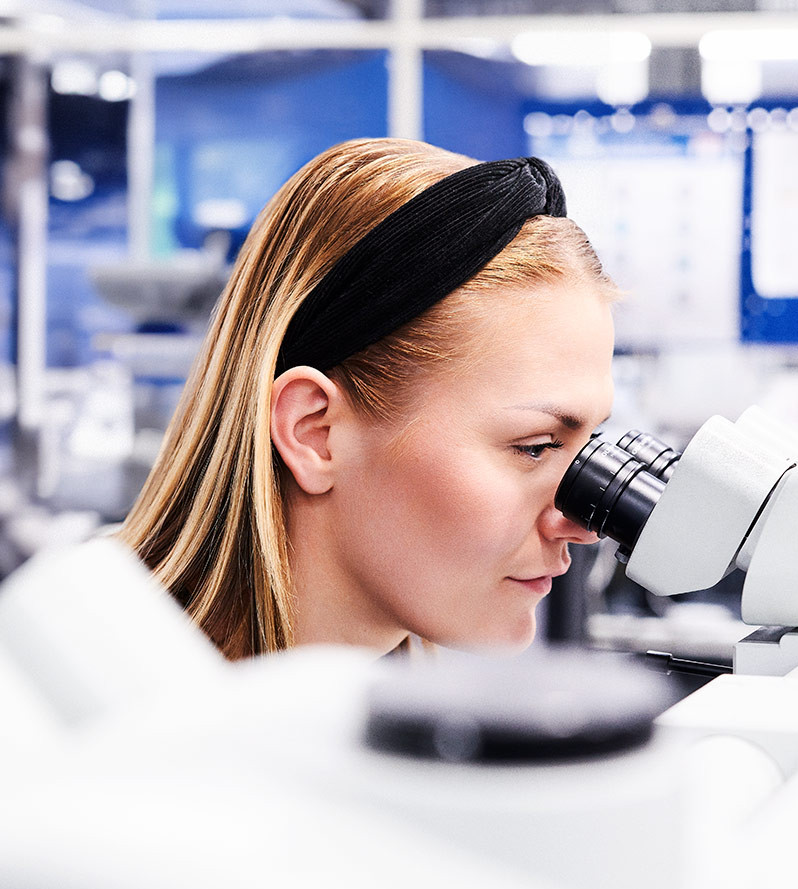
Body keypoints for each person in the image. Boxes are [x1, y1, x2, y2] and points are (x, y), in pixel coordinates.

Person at [120, 139, 618, 660]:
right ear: (314, 432)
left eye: (588, 444)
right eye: (536, 446)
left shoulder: (367, 722)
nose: (584, 527)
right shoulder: (126, 727)